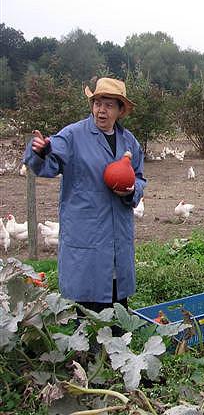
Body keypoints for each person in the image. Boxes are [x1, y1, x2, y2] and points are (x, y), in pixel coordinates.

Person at [24, 77, 146, 314]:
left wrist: (131, 190)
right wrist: (40, 151)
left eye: (109, 105)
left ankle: (115, 350)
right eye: (98, 103)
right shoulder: (72, 135)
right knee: (88, 314)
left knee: (117, 310)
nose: (101, 110)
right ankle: (89, 352)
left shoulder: (129, 141)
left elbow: (139, 177)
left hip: (117, 235)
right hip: (86, 235)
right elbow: (48, 164)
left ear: (120, 110)